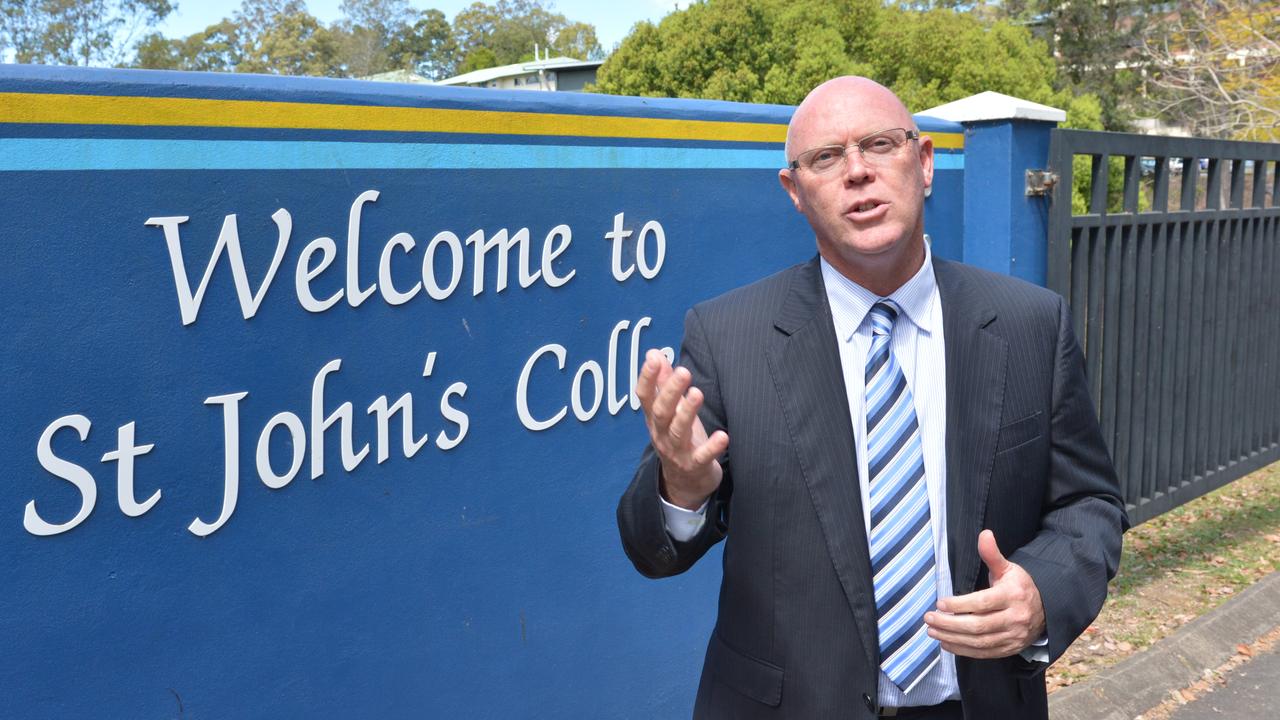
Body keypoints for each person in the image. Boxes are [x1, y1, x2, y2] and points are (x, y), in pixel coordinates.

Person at [616, 76, 1128, 719]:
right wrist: (682, 485)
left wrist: (1044, 593)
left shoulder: (1030, 324)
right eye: (826, 157)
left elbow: (1090, 502)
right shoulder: (727, 336)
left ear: (924, 164)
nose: (857, 171)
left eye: (880, 145)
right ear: (795, 191)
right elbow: (651, 549)